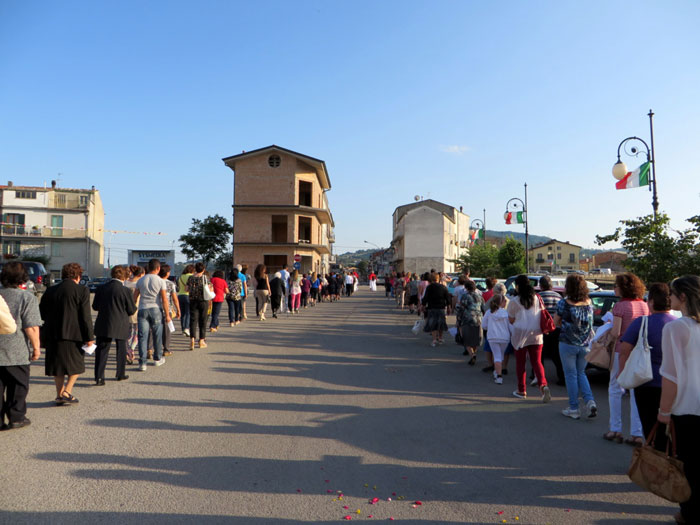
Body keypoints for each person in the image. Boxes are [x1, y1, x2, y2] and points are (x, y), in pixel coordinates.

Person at [657, 275, 700, 525]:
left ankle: (689, 514)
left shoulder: (675, 328)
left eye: (672, 293)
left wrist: (664, 411)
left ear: (682, 297)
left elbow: (670, 376)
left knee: (688, 468)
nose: (669, 298)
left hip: (687, 408)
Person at [619, 283, 675, 446]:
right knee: (668, 426)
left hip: (645, 381)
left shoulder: (641, 323)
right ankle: (667, 457)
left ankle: (654, 457)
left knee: (649, 424)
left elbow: (624, 350)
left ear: (650, 302)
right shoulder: (677, 323)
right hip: (672, 382)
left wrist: (622, 372)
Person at [40, 262, 95, 405]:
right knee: (76, 364)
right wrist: (90, 337)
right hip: (74, 334)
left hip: (53, 334)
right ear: (78, 276)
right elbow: (85, 316)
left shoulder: (50, 291)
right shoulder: (82, 290)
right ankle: (67, 391)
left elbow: (42, 312)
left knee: (58, 366)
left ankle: (59, 395)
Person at [604, 273, 648, 445]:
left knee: (615, 388)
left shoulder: (620, 307)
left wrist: (607, 331)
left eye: (616, 285)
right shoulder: (644, 305)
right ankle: (637, 433)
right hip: (639, 352)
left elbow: (616, 332)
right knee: (635, 391)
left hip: (621, 350)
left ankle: (615, 429)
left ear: (623, 288)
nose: (614, 288)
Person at [0, 262, 39, 430]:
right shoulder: (26, 297)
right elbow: (31, 327)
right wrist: (36, 347)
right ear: (23, 278)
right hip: (17, 350)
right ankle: (16, 417)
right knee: (19, 386)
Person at [553, 274, 596, 419]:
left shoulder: (564, 303)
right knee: (581, 373)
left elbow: (555, 322)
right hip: (585, 343)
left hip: (567, 342)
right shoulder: (589, 302)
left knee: (570, 375)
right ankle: (590, 401)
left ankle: (574, 408)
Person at [507, 275, 550, 402]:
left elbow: (511, 319)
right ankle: (543, 385)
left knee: (521, 363)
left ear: (518, 286)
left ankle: (522, 390)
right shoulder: (537, 298)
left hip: (520, 334)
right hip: (536, 333)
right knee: (537, 362)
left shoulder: (514, 301)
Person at [93, 265, 137, 385]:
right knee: (121, 349)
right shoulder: (125, 291)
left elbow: (95, 306)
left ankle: (99, 377)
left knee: (102, 350)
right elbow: (131, 310)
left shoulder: (101, 288)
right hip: (120, 322)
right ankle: (120, 373)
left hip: (104, 322)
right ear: (124, 276)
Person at [134, 259, 171, 370]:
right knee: (157, 335)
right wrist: (167, 314)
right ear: (158, 268)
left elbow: (134, 297)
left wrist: (132, 309)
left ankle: (142, 362)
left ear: (148, 268)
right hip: (155, 309)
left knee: (142, 336)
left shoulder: (140, 280)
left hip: (142, 309)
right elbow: (164, 299)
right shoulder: (160, 281)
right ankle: (157, 358)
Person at [538, 276, 565, 386]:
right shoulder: (559, 296)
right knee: (556, 354)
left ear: (541, 285)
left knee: (541, 354)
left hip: (543, 328)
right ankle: (561, 376)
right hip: (556, 328)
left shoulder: (539, 296)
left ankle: (540, 376)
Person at [482, 293, 509, 384]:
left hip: (493, 337)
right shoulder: (506, 313)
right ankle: (498, 372)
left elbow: (484, 325)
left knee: (496, 356)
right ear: (501, 303)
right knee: (500, 356)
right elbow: (511, 326)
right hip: (505, 338)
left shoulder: (489, 312)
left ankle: (499, 375)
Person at [456, 280, 484, 364]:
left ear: (467, 288)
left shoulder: (465, 296)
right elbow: (483, 309)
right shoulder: (480, 296)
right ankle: (474, 353)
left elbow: (461, 309)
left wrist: (458, 320)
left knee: (466, 339)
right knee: (476, 339)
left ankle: (472, 355)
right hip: (478, 319)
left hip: (467, 319)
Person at [421, 272, 451, 347]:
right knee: (441, 323)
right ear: (438, 279)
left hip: (432, 307)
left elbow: (425, 298)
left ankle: (434, 339)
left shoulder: (429, 287)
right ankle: (440, 338)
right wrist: (449, 307)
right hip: (441, 307)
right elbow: (447, 298)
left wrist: (423, 305)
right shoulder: (443, 287)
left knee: (433, 323)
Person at [157, 265, 180, 356]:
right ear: (167, 273)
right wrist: (178, 309)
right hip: (167, 309)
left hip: (155, 308)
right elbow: (174, 298)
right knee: (166, 331)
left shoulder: (155, 282)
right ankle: (166, 349)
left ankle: (150, 349)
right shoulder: (170, 284)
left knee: (154, 329)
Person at [124, 265, 144, 364]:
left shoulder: (125, 283)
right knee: (136, 333)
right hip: (137, 310)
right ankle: (131, 349)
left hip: (126, 311)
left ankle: (128, 351)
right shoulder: (140, 284)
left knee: (128, 333)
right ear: (141, 274)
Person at [186, 262, 209, 349]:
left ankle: (192, 339)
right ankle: (201, 340)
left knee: (193, 320)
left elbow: (186, 289)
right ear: (203, 269)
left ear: (195, 269)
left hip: (192, 301)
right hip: (203, 301)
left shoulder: (190, 278)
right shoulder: (205, 278)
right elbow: (209, 288)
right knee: (203, 321)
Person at [177, 264, 194, 336]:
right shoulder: (191, 276)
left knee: (183, 313)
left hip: (180, 295)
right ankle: (187, 328)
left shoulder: (180, 276)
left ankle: (183, 329)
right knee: (188, 313)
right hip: (188, 295)